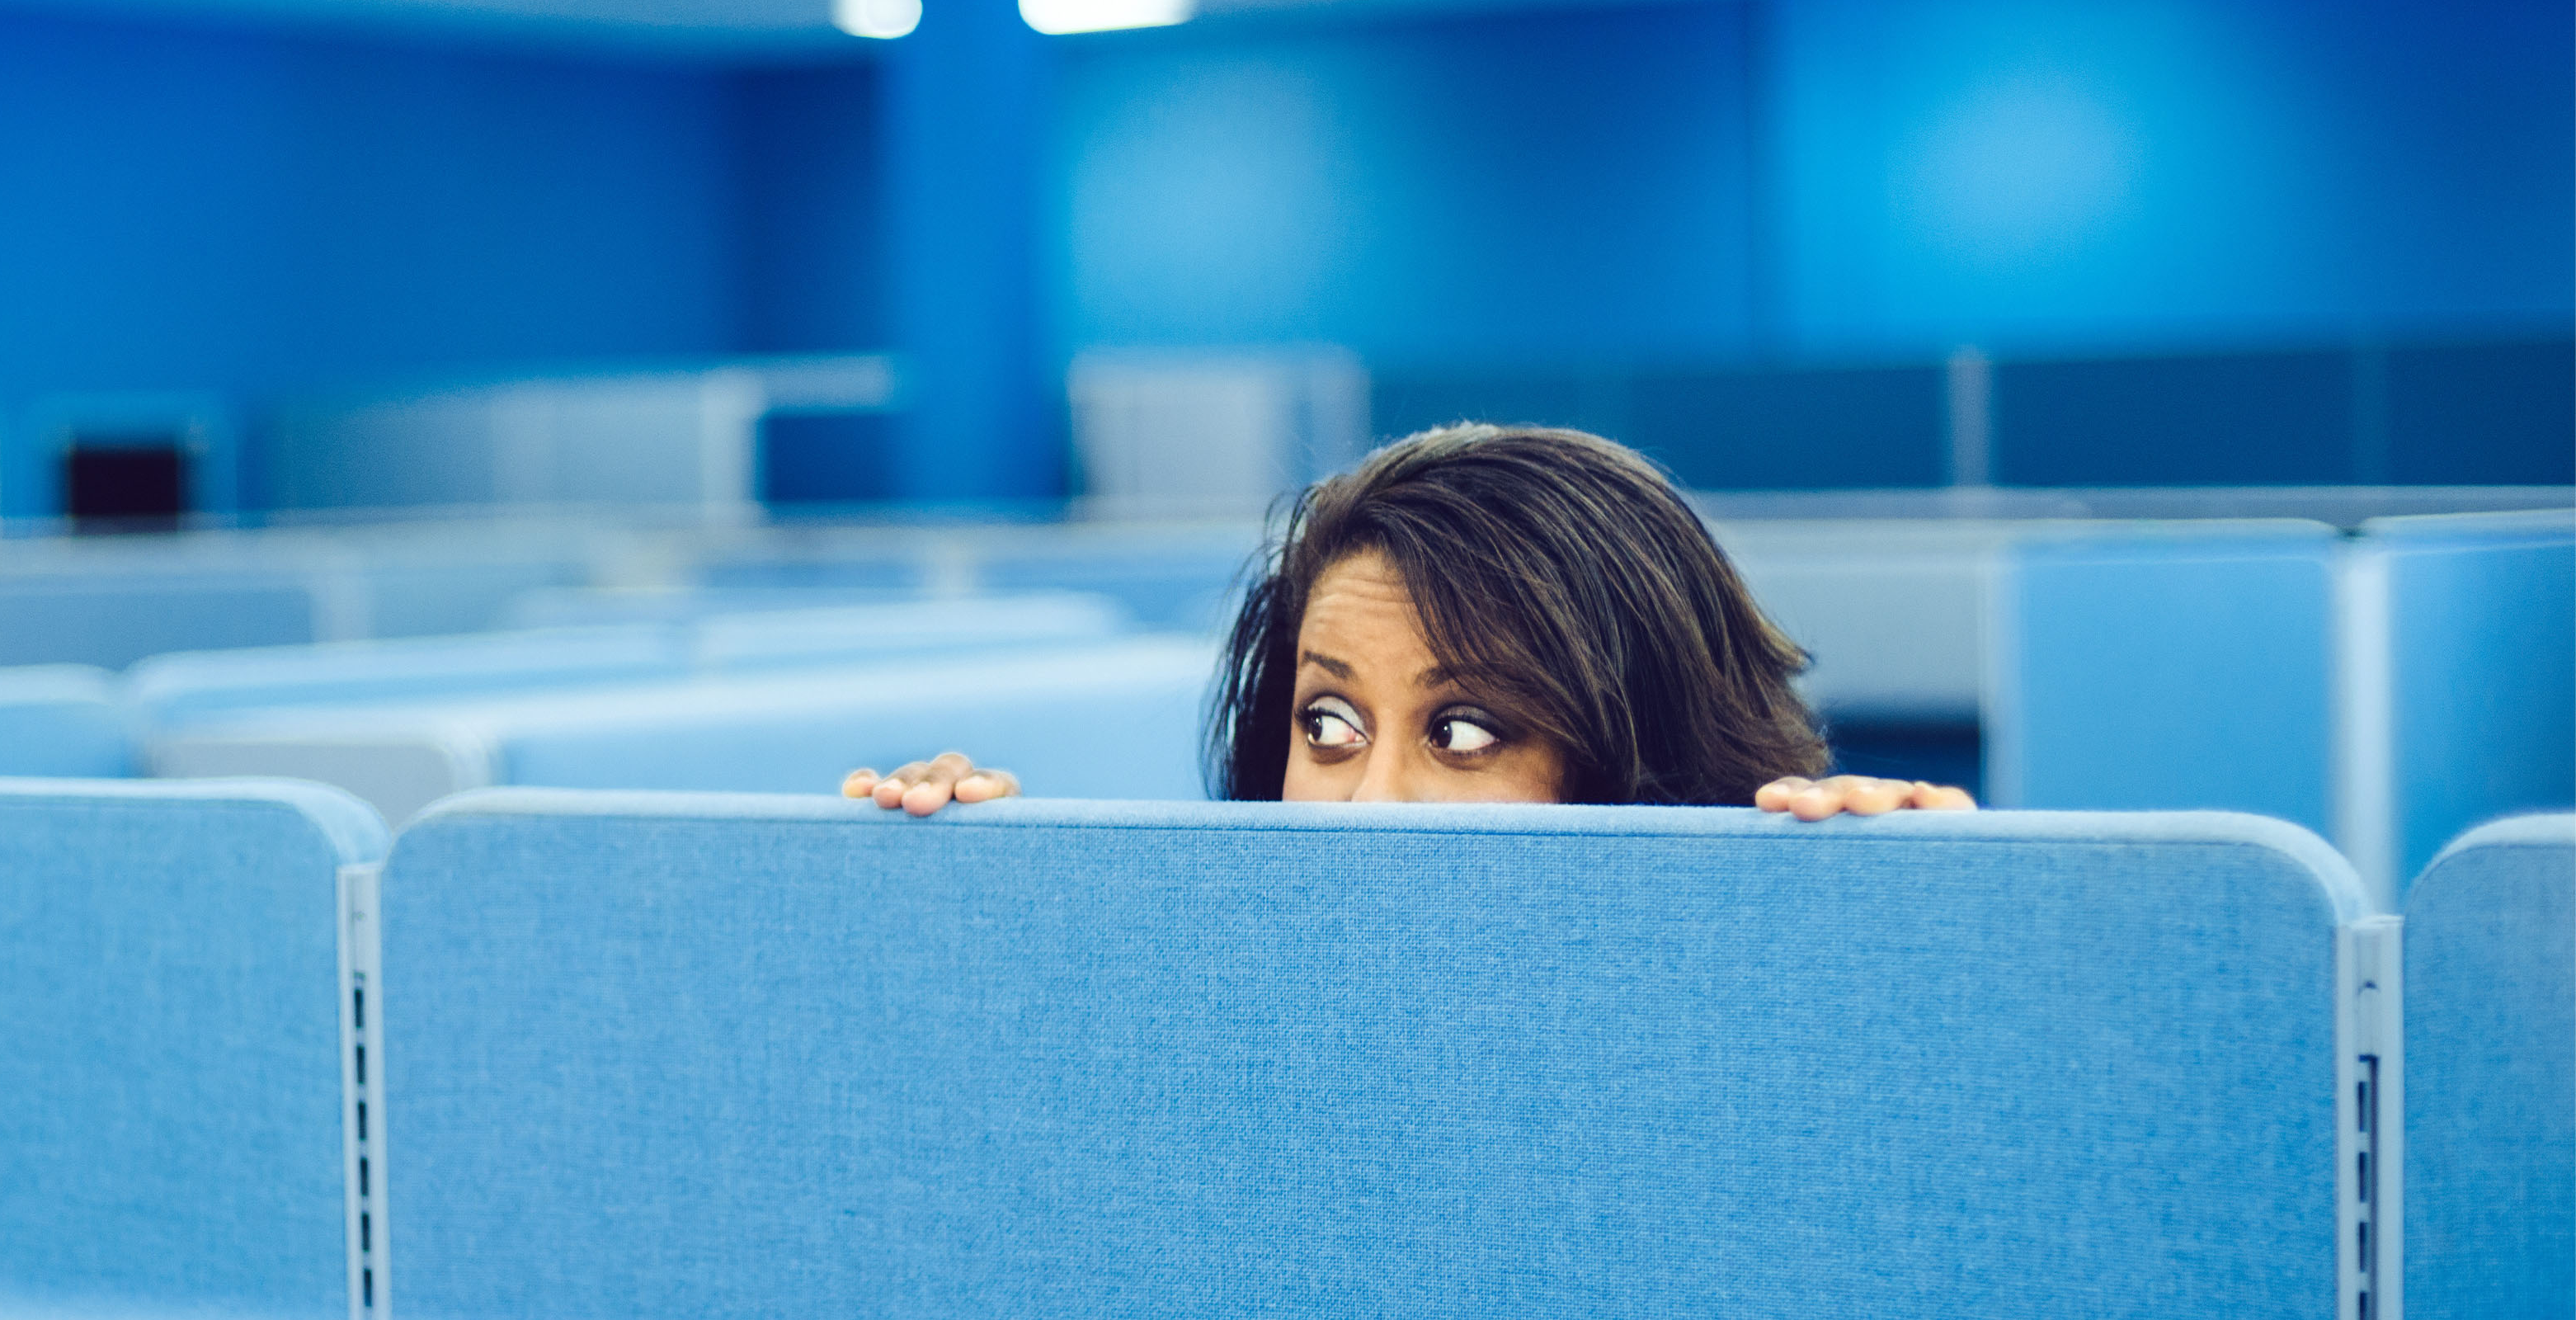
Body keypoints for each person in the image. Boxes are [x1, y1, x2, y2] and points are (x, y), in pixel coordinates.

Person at [843, 422, 1976, 820]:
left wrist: (1881, 930)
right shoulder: (1241, 1007)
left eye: (1466, 733)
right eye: (1328, 724)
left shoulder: (1742, 1020)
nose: (1365, 800)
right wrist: (968, 907)